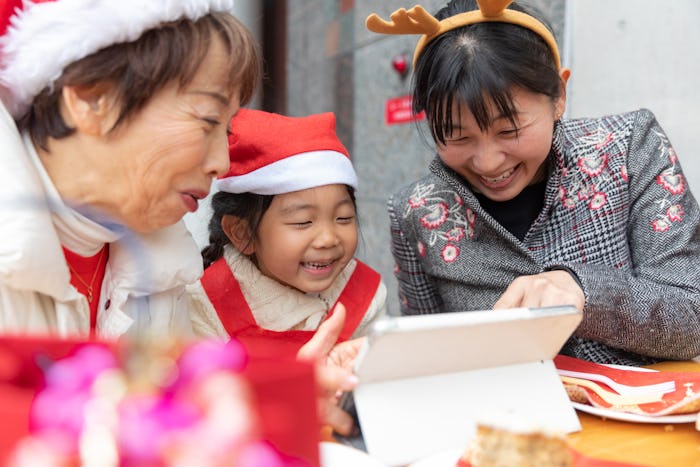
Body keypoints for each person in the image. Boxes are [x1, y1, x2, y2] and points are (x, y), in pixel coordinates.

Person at [366, 0, 700, 366]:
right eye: (457, 137)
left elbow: (693, 313)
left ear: (559, 95)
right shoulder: (416, 212)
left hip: (642, 420)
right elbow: (425, 357)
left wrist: (581, 292)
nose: (488, 162)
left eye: (509, 131)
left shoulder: (628, 149)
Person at [0, 0, 261, 338]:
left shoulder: (165, 269)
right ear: (91, 100)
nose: (221, 163)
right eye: (208, 120)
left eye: (226, 130)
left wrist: (297, 387)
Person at [188, 108, 387, 356]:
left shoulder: (363, 294)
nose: (328, 239)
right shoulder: (206, 303)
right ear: (242, 233)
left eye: (343, 218)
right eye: (303, 221)